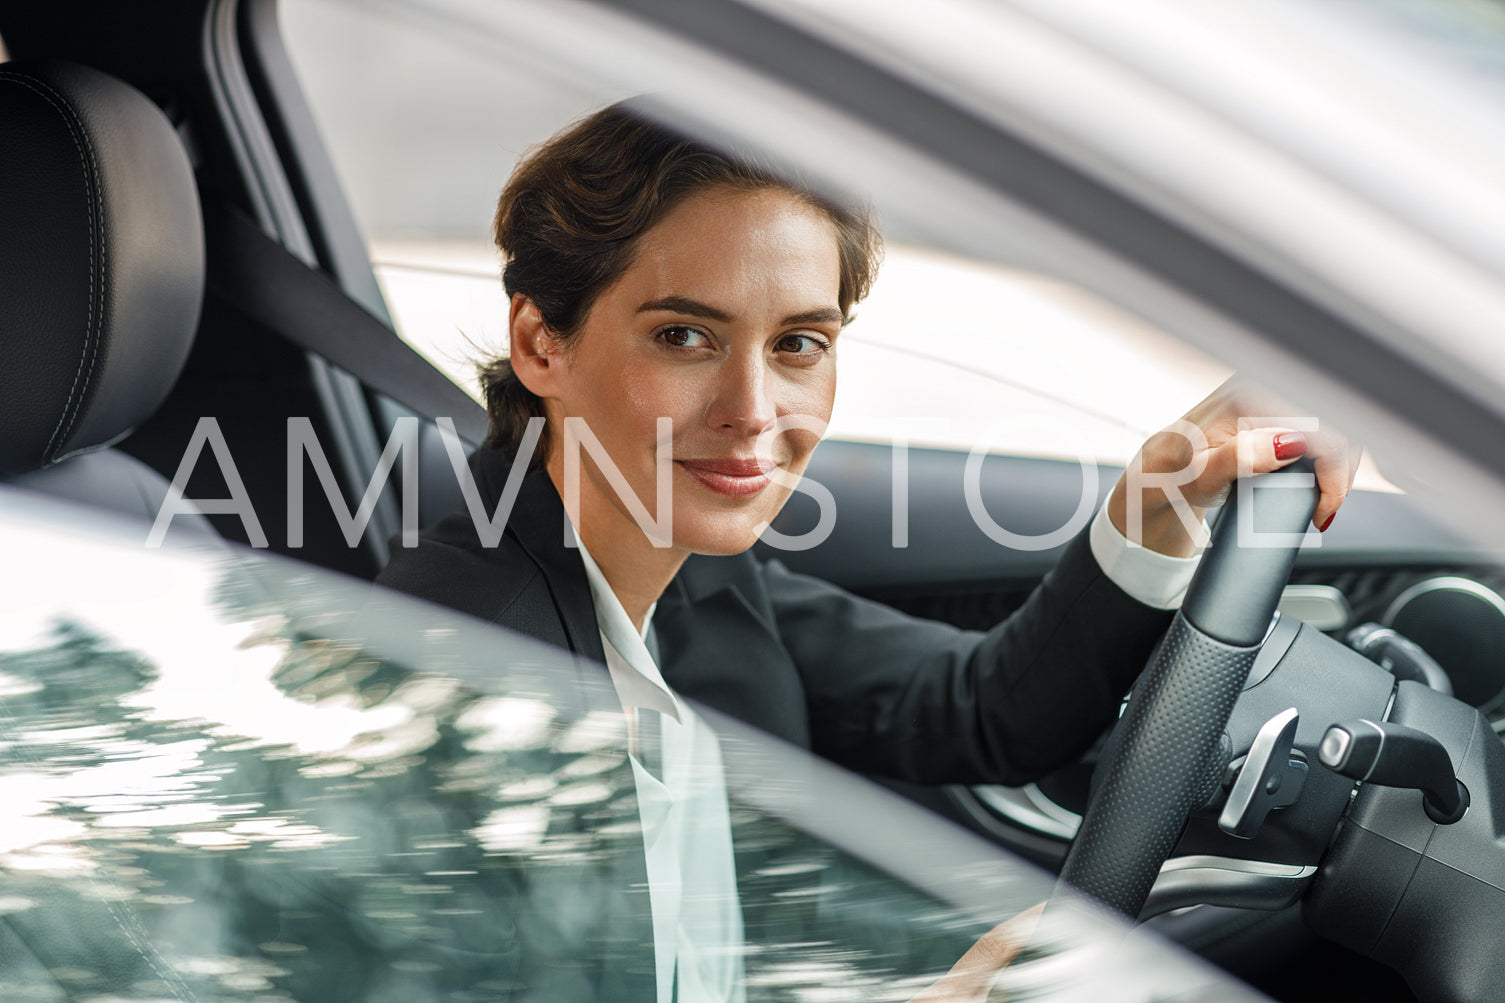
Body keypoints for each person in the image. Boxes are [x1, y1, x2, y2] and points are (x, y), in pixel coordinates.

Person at [376, 102, 1354, 1001]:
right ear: (543, 342)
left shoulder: (694, 571)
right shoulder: (458, 656)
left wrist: (1166, 481)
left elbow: (981, 710)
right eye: (684, 335)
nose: (753, 414)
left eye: (798, 344)